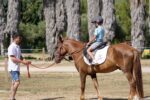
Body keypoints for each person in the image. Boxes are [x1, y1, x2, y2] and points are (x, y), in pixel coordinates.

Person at [8, 33, 31, 100]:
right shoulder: (12, 47)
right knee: (17, 82)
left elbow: (20, 56)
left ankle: (11, 97)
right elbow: (13, 58)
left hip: (16, 68)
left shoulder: (18, 46)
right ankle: (12, 98)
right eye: (19, 38)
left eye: (20, 38)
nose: (20, 39)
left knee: (13, 83)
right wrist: (22, 62)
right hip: (13, 68)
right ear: (15, 38)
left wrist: (25, 61)